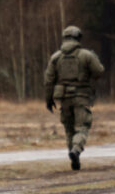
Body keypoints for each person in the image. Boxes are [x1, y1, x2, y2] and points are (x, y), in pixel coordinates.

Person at [44, 25, 105, 170]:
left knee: (69, 130)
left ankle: (73, 158)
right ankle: (76, 151)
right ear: (78, 38)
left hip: (64, 99)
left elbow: (48, 81)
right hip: (81, 97)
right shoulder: (86, 55)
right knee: (82, 128)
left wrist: (48, 100)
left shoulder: (55, 57)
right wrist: (95, 58)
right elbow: (99, 72)